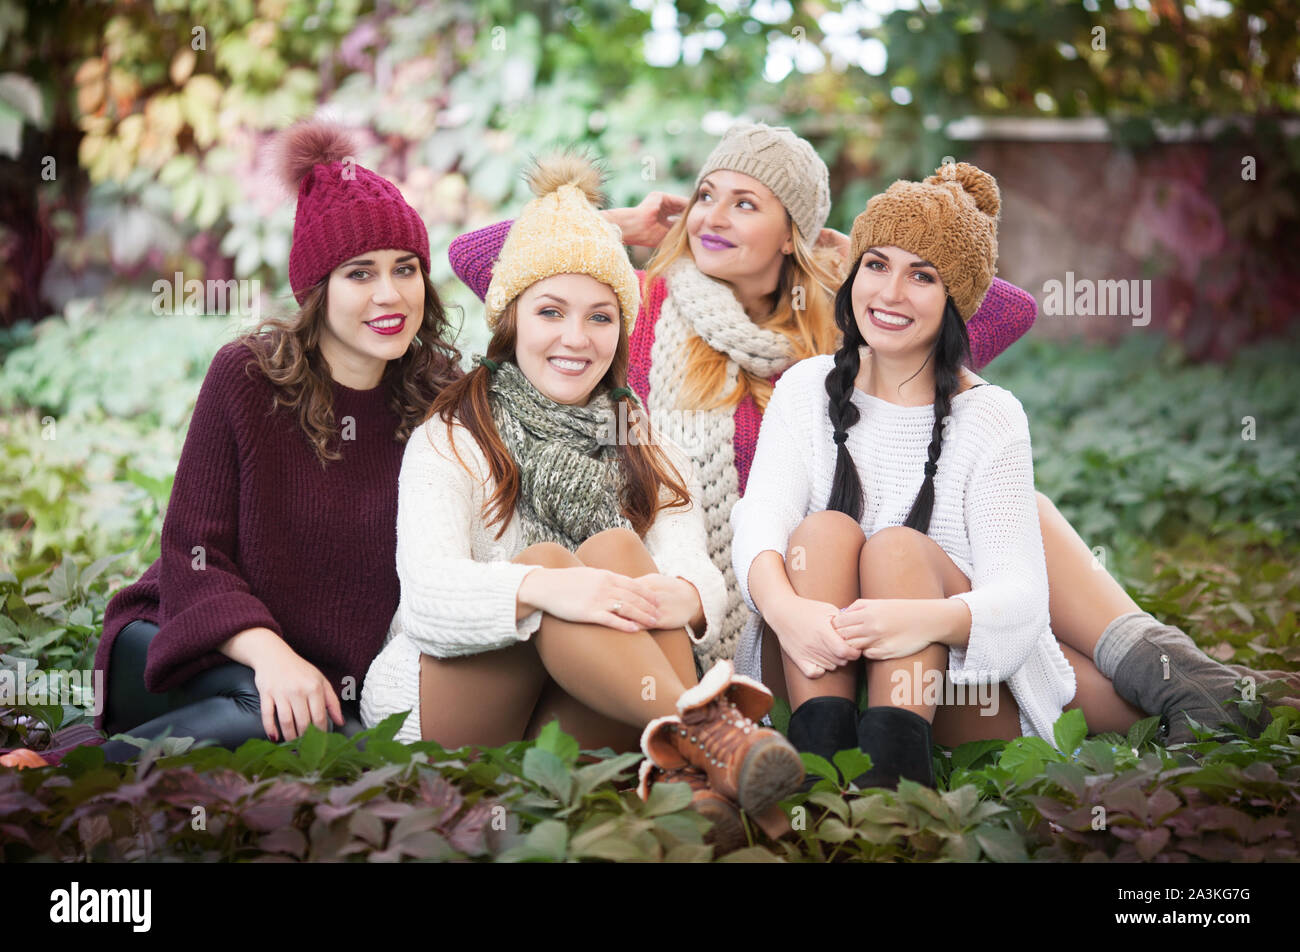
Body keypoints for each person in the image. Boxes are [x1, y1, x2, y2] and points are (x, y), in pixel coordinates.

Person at [733, 162, 1290, 792]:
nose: (889, 294)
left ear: (955, 303)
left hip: (944, 681)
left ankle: (891, 791)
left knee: (900, 551)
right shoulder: (807, 386)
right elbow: (761, 519)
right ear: (851, 271)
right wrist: (787, 613)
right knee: (822, 531)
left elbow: (1020, 597)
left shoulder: (988, 415)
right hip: (814, 661)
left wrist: (925, 621)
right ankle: (822, 773)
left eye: (923, 275)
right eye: (877, 264)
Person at [447, 122, 1039, 676]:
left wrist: (859, 250)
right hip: (669, 585)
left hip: (822, 593)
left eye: (745, 203)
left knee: (1023, 509)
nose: (712, 217)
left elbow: (1006, 311)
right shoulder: (642, 304)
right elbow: (477, 258)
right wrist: (616, 226)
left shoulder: (850, 330)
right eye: (706, 195)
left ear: (791, 235)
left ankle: (1116, 646)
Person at [360, 154, 803, 846]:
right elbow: (427, 596)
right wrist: (551, 590)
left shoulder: (640, 437)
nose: (576, 338)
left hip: (573, 720)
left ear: (620, 331)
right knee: (553, 562)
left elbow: (694, 566)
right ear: (510, 319)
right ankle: (711, 738)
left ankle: (685, 774)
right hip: (453, 715)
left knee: (620, 548)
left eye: (600, 317)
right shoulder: (452, 436)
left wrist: (683, 598)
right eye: (550, 311)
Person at [88, 120, 462, 761]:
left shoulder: (438, 397)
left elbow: (532, 307)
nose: (390, 294)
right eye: (359, 273)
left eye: (406, 269)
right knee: (295, 724)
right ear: (317, 290)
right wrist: (271, 654)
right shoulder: (248, 377)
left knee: (336, 740)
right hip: (187, 645)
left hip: (327, 685)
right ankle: (59, 778)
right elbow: (191, 551)